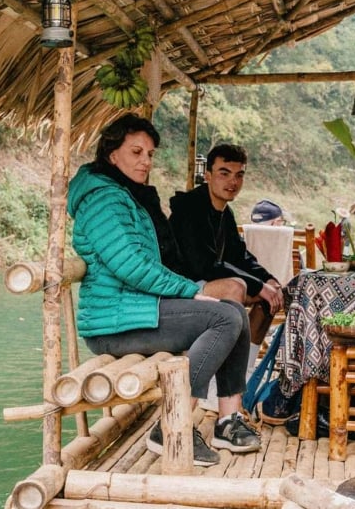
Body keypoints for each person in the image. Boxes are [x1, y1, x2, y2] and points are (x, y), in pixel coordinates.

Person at [68, 115, 262, 466]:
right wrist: (188, 290)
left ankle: (227, 420)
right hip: (114, 323)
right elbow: (130, 266)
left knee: (232, 309)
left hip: (138, 310)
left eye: (151, 154)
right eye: (136, 152)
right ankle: (172, 424)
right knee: (222, 317)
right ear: (112, 155)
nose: (146, 161)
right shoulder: (102, 200)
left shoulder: (127, 195)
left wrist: (189, 291)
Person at [168, 144, 284, 344]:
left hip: (204, 285)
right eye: (224, 173)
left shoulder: (225, 213)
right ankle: (218, 363)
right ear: (208, 175)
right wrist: (258, 285)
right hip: (179, 290)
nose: (233, 181)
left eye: (239, 175)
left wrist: (268, 280)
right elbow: (204, 265)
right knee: (235, 287)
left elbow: (240, 256)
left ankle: (246, 368)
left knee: (271, 296)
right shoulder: (189, 208)